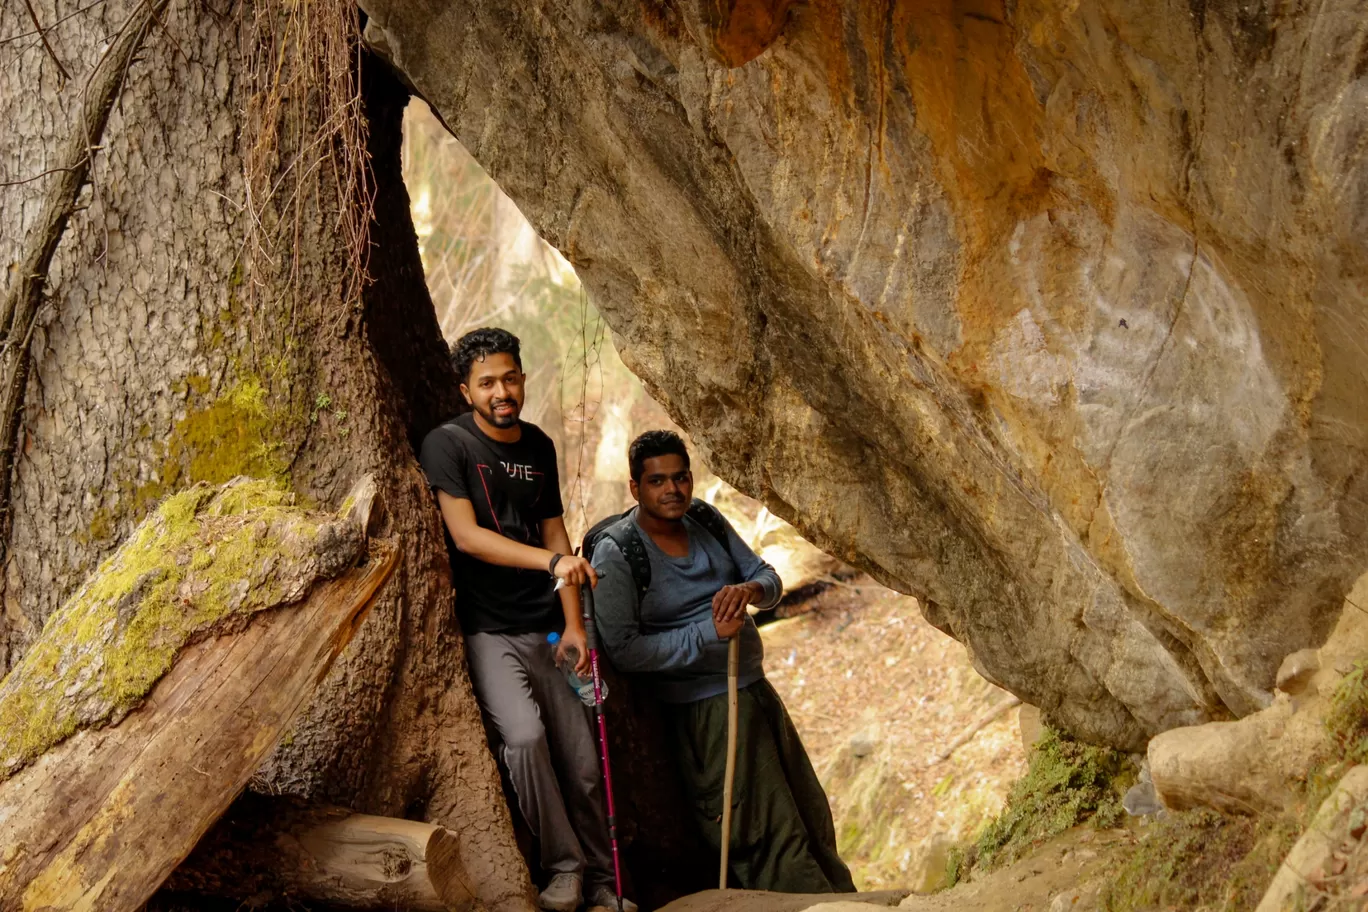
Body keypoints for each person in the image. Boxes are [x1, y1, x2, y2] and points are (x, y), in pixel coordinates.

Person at [420, 327, 634, 912]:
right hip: (490, 630)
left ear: (522, 379)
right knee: (524, 739)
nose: (501, 391)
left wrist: (575, 627)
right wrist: (553, 561)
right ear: (466, 390)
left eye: (510, 378)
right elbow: (467, 538)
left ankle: (600, 884)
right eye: (487, 382)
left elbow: (556, 534)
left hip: (548, 628)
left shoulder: (538, 446)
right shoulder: (448, 445)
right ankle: (563, 869)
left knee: (585, 764)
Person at [589, 430, 856, 894]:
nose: (672, 490)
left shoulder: (704, 519)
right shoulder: (620, 552)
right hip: (706, 713)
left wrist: (750, 592)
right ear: (635, 488)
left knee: (808, 811)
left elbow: (765, 576)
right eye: (657, 481)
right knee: (763, 829)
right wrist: (707, 633)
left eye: (680, 477)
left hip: (755, 691)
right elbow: (625, 650)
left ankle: (845, 899)